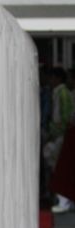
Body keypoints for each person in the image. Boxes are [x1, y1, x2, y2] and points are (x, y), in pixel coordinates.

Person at [47, 67, 75, 213]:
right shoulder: (64, 93)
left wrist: (56, 131)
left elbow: (64, 116)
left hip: (63, 133)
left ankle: (63, 199)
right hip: (64, 132)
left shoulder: (62, 93)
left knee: (61, 167)